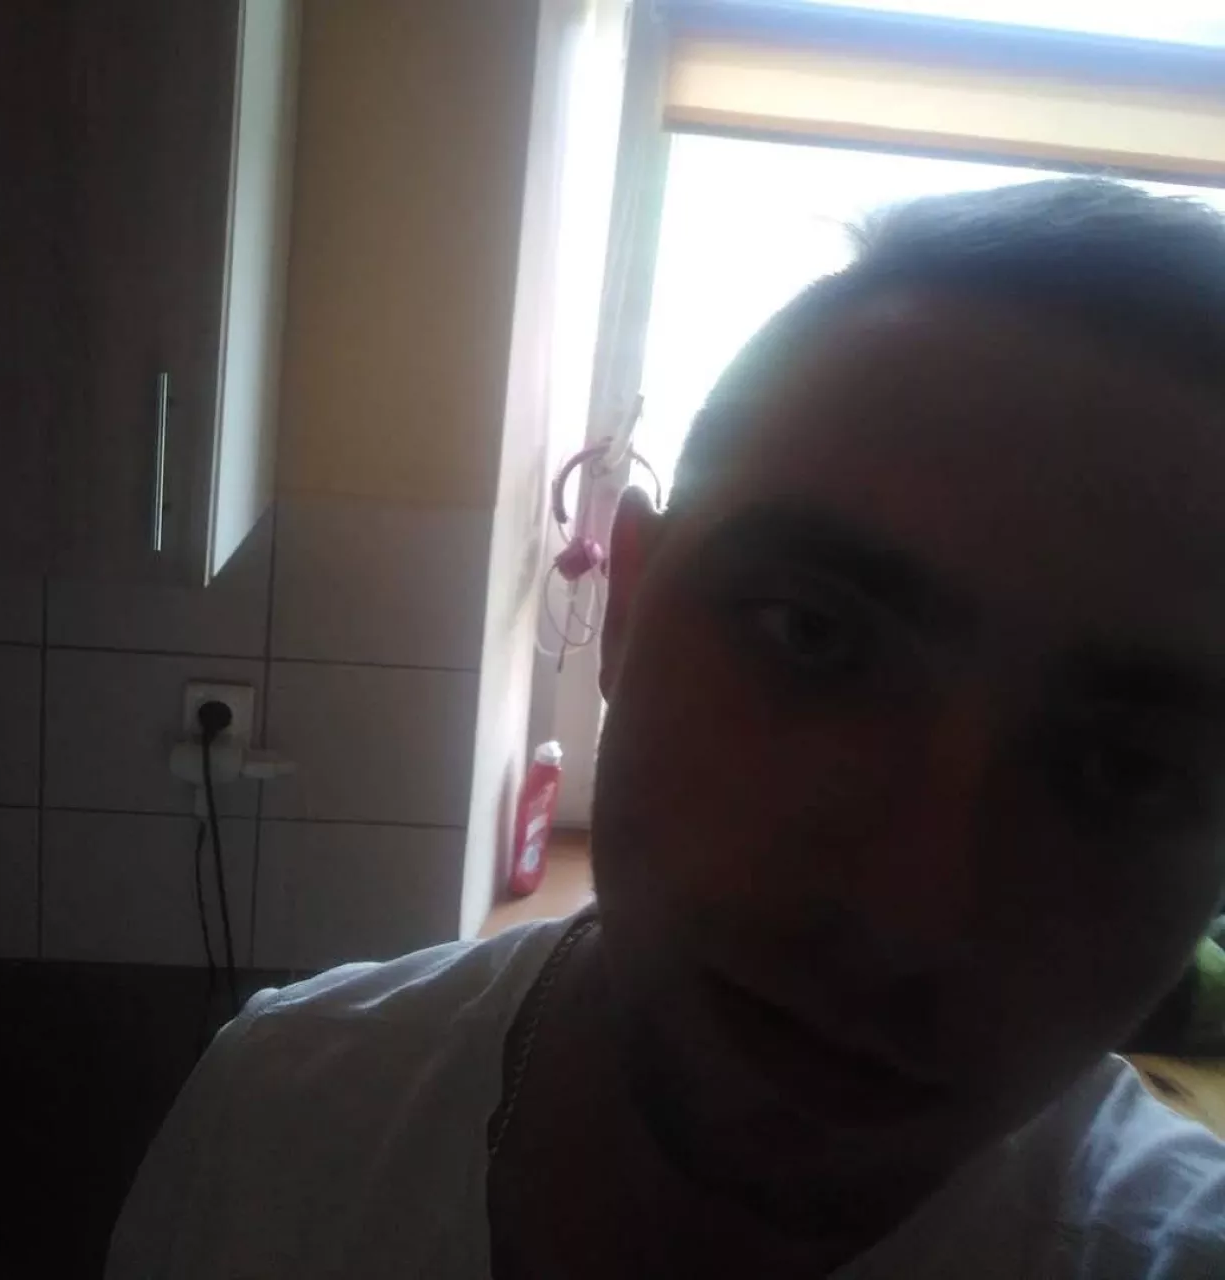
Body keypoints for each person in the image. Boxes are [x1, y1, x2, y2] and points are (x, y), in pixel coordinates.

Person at [108, 179, 1225, 1279]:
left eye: (1127, 770)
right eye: (812, 637)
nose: (909, 911)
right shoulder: (277, 1120)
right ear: (627, 603)